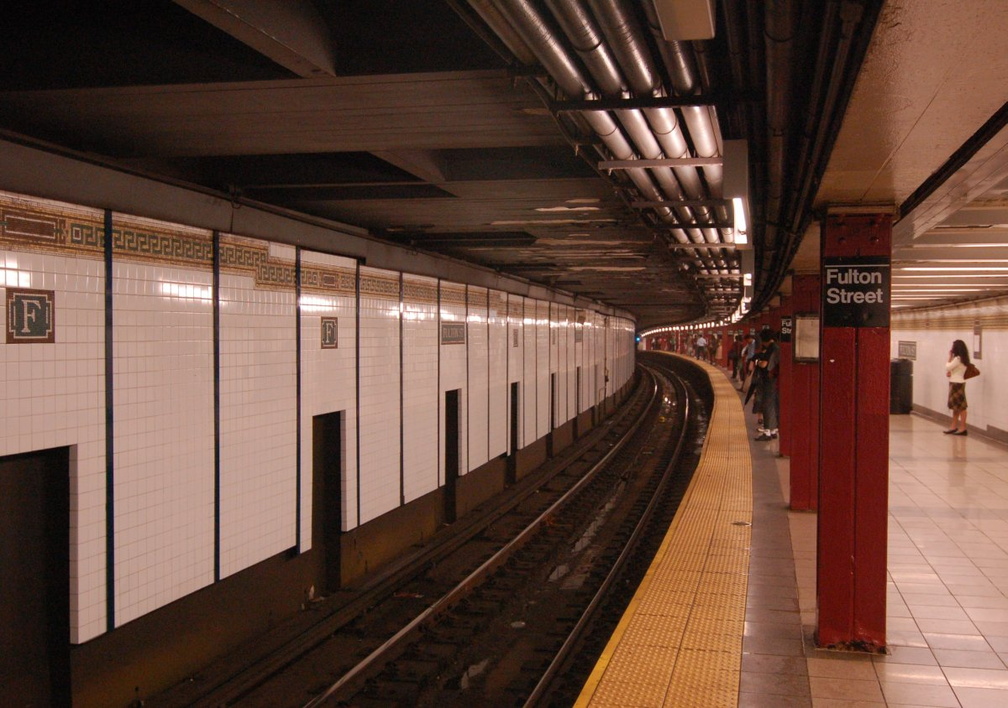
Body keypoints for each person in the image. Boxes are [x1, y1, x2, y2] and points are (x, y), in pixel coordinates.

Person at [751, 329, 780, 441]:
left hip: (769, 380)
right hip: (774, 380)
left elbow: (764, 364)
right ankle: (773, 430)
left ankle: (767, 431)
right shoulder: (777, 348)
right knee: (772, 404)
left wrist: (757, 361)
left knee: (767, 404)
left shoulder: (771, 349)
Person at [944, 339, 971, 435]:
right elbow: (955, 370)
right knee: (956, 407)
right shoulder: (963, 359)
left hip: (957, 384)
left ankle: (962, 428)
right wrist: (951, 373)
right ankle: (954, 426)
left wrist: (949, 357)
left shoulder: (958, 359)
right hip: (957, 382)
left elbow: (947, 367)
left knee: (961, 407)